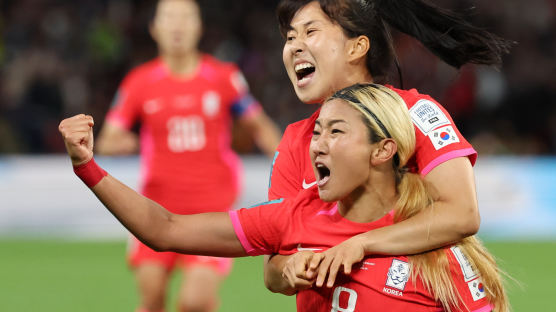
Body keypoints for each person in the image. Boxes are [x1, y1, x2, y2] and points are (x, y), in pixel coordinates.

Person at [58, 83, 508, 311]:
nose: (317, 145)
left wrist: (362, 246)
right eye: (317, 133)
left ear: (382, 150)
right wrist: (88, 167)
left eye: (336, 132)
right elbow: (165, 228)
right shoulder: (296, 215)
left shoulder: (437, 253)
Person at [263, 0, 513, 294]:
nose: (294, 47)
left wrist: (362, 244)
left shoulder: (416, 114)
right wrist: (290, 269)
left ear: (356, 48)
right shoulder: (295, 141)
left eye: (310, 32)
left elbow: (462, 213)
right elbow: (273, 268)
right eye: (290, 38)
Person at [95, 0, 281, 311]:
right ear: (155, 28)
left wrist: (287, 164)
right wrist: (120, 143)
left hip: (210, 208)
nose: (178, 25)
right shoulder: (139, 82)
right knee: (151, 299)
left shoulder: (224, 78)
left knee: (194, 302)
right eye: (169, 18)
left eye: (185, 18)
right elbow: (107, 139)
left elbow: (260, 126)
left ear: (199, 27)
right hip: (154, 207)